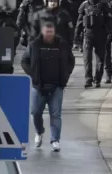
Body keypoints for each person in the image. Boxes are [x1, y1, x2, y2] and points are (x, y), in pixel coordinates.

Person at [20, 18, 75, 152]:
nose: (49, 34)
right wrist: (33, 74)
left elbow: (70, 61)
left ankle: (55, 140)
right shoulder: (34, 45)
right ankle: (39, 132)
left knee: (55, 114)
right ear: (42, 32)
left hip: (56, 87)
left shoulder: (62, 45)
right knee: (35, 113)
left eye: (51, 32)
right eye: (46, 32)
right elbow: (24, 61)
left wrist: (65, 77)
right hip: (38, 87)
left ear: (54, 32)